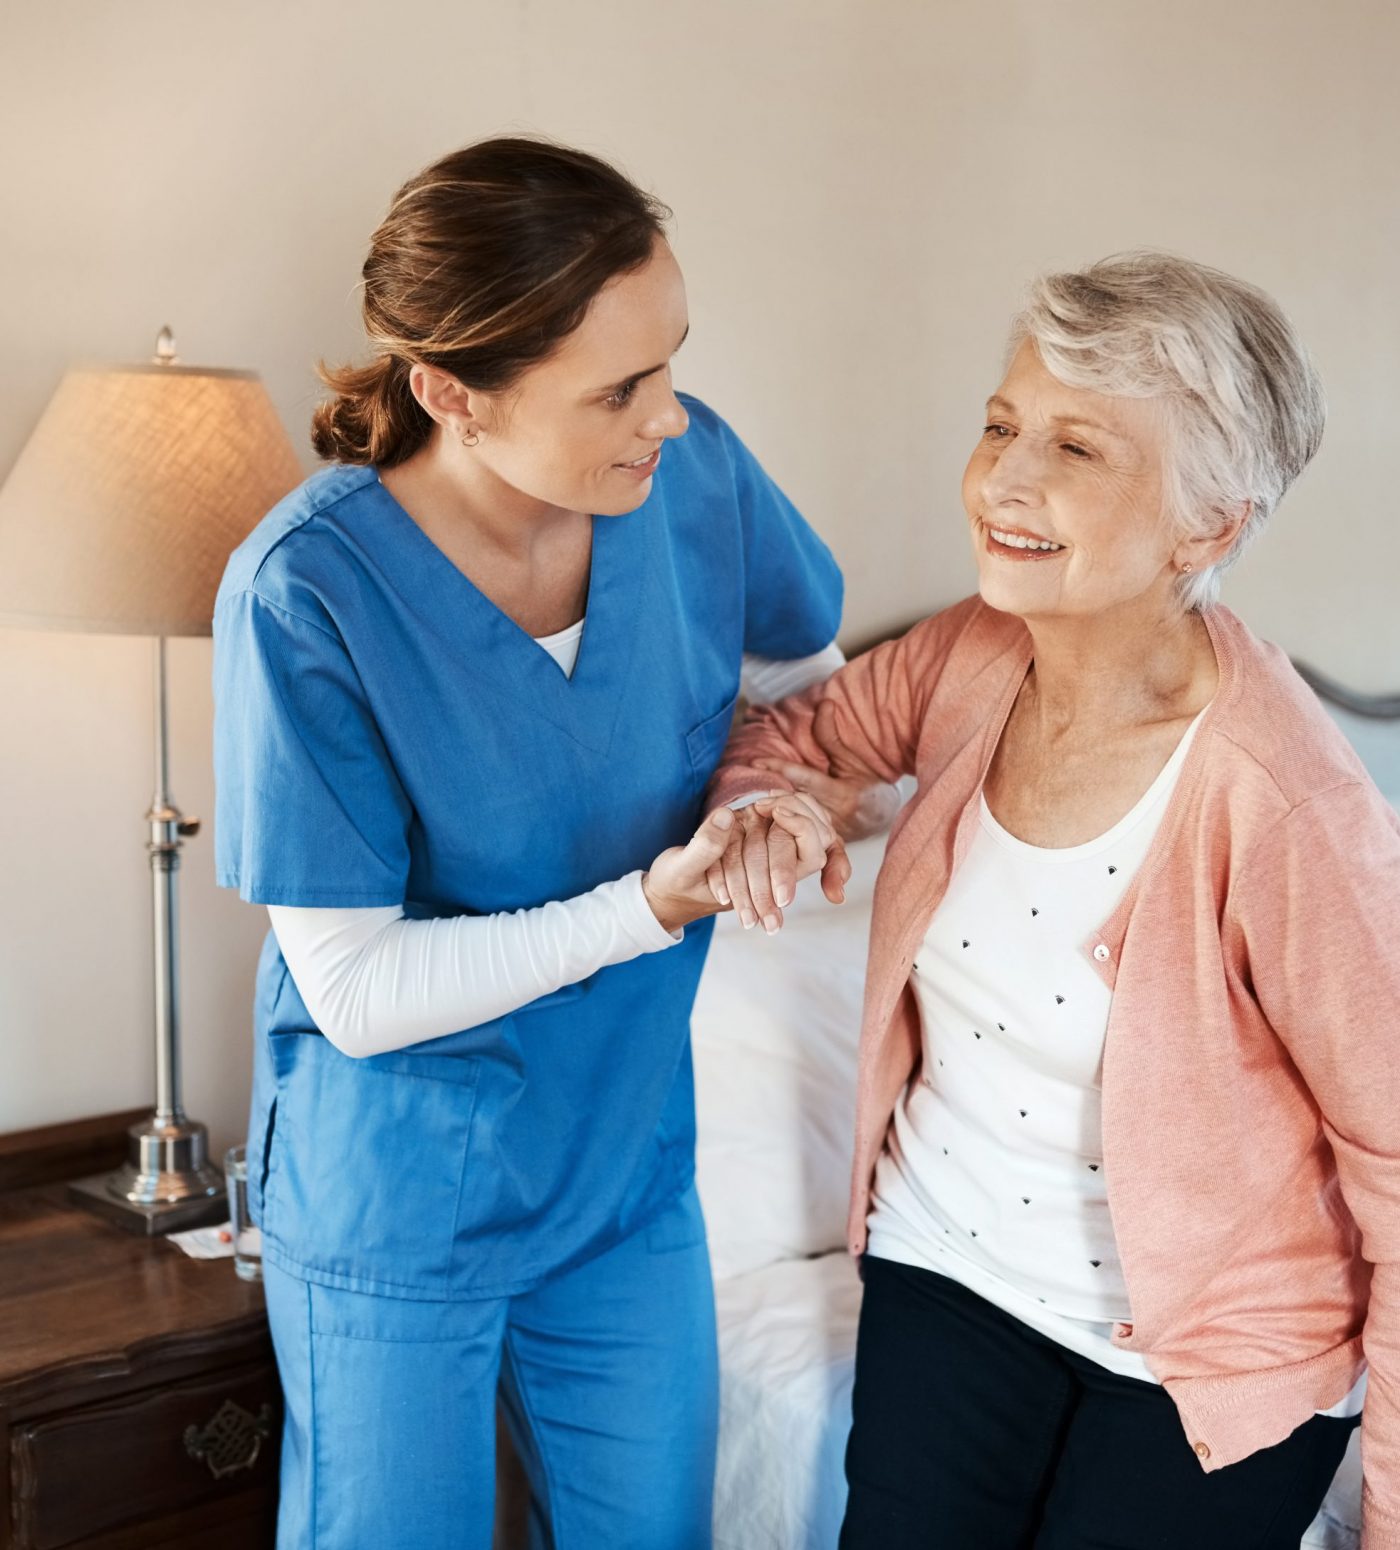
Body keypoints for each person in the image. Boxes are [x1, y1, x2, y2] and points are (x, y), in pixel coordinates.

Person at [212, 136, 849, 1550]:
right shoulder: (304, 596)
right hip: (396, 1205)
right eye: (620, 389)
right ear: (452, 394)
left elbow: (814, 689)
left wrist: (768, 790)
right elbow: (358, 994)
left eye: (672, 360)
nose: (669, 416)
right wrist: (651, 903)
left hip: (623, 1178)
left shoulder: (692, 485)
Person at [711, 251, 1400, 1548]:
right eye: (1000, 423)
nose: (1003, 481)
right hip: (945, 1269)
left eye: (1077, 448)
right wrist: (774, 807)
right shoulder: (966, 655)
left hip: (1206, 1350)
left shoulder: (1288, 800)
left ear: (1208, 526)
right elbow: (793, 741)